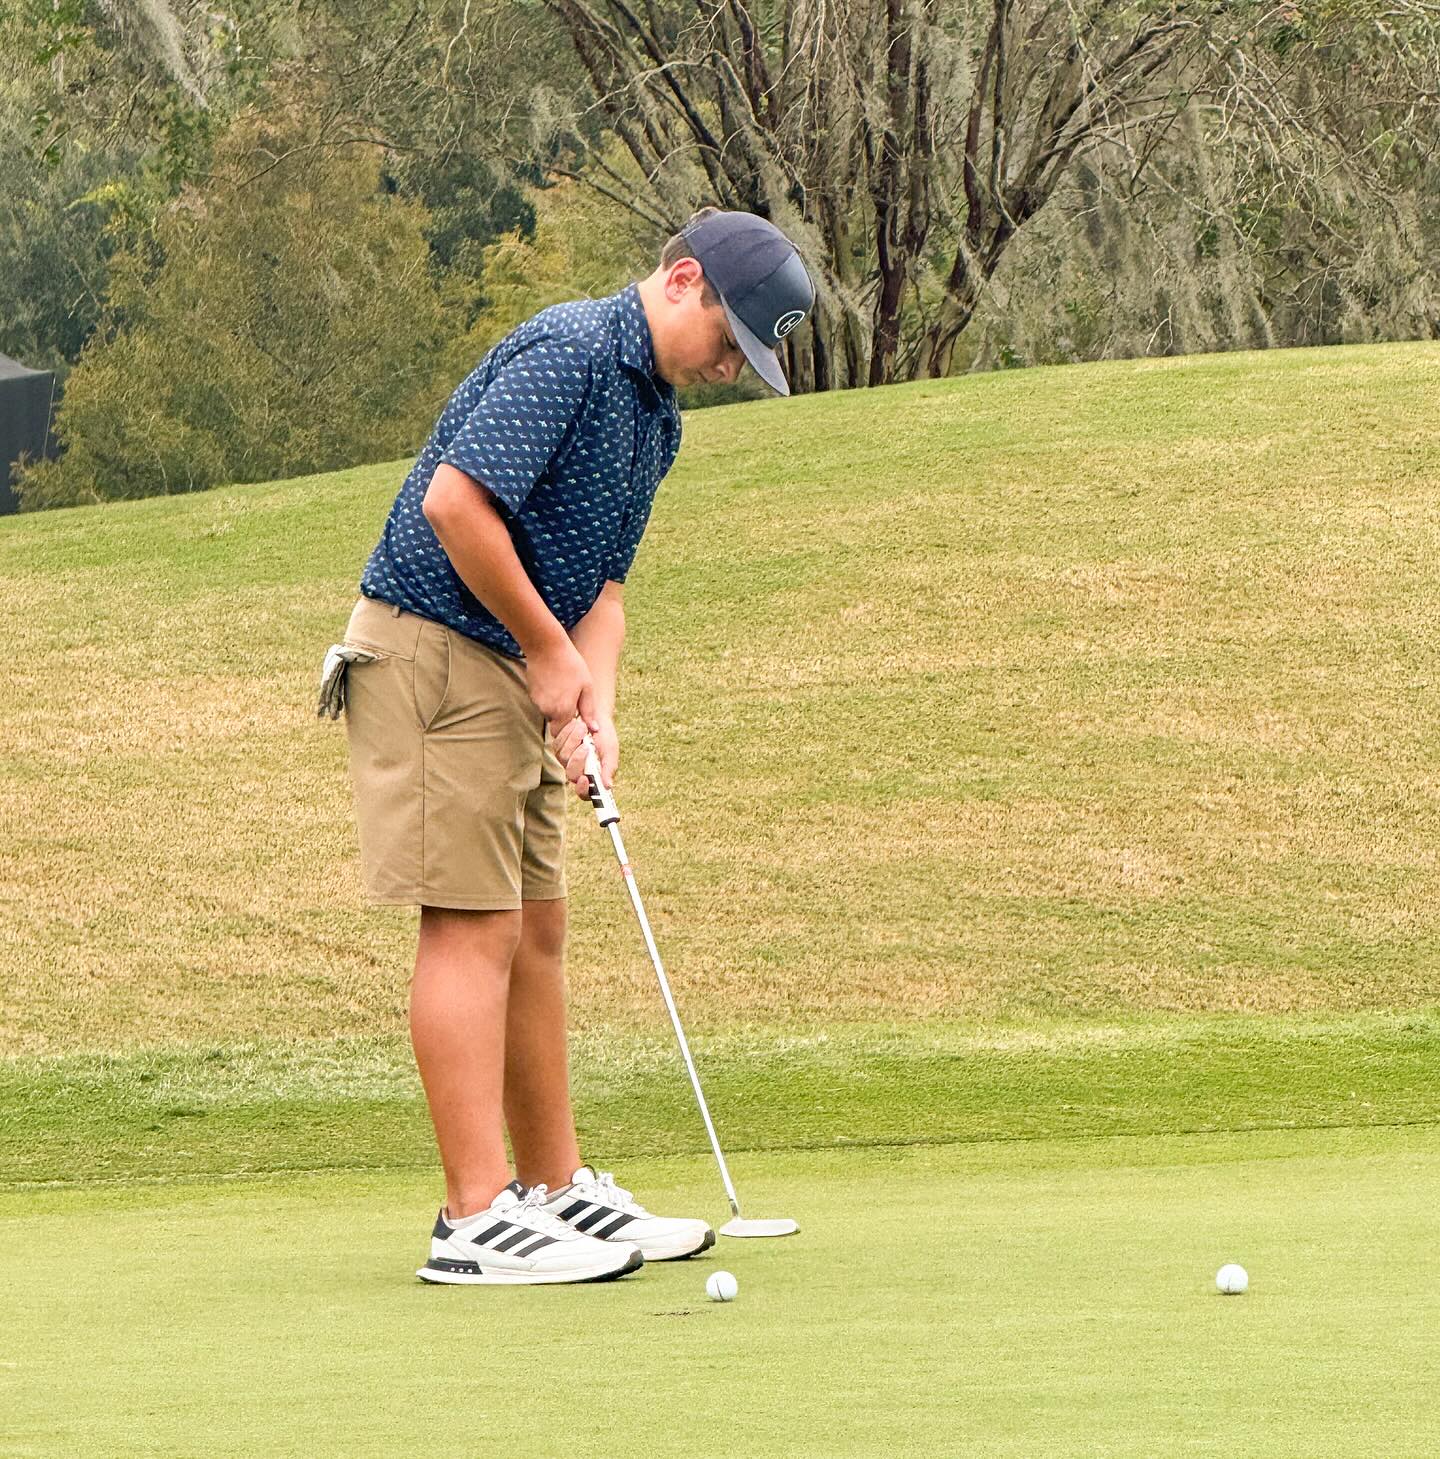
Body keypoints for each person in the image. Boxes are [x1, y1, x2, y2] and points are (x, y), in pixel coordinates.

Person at [324, 207, 816, 1285]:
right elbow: (458, 507)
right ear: (682, 281)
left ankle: (553, 1190)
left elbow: (604, 588)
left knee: (537, 925)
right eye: (732, 338)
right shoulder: (572, 352)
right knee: (473, 925)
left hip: (510, 661)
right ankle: (473, 1215)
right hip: (431, 649)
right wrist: (549, 658)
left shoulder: (658, 418)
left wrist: (594, 705)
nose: (735, 365)